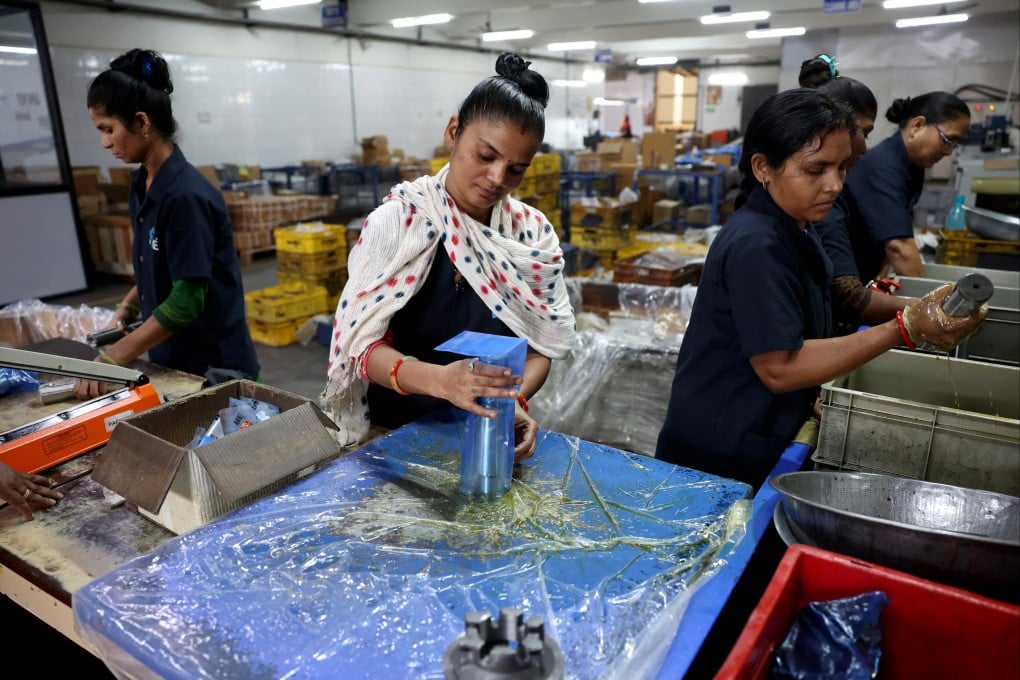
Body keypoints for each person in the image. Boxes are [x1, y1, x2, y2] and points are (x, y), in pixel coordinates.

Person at [654, 89, 986, 489]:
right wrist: (904, 327)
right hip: (717, 450)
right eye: (817, 170)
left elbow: (812, 317)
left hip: (755, 429)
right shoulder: (758, 243)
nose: (835, 185)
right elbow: (781, 367)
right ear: (763, 167)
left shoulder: (796, 229)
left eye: (842, 168)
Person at [321, 53, 575, 460]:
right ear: (454, 131)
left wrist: (510, 403)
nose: (497, 179)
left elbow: (541, 347)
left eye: (516, 169)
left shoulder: (531, 235)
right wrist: (442, 382)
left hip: (486, 440)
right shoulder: (398, 225)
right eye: (486, 156)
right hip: (394, 437)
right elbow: (361, 348)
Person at [76, 48, 259, 399]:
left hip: (215, 371)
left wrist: (113, 358)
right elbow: (154, 263)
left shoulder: (186, 196)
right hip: (172, 361)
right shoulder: (142, 184)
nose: (104, 142)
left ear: (142, 123)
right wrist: (127, 308)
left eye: (108, 129)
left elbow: (186, 302)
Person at [799, 54, 912, 333]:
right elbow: (848, 295)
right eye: (857, 131)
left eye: (866, 133)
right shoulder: (819, 202)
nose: (862, 145)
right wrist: (920, 312)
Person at [843, 91, 970, 281]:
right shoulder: (883, 166)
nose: (948, 152)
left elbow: (891, 232)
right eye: (947, 140)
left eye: (954, 144)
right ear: (917, 126)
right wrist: (929, 302)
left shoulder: (911, 165)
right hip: (844, 279)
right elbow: (899, 246)